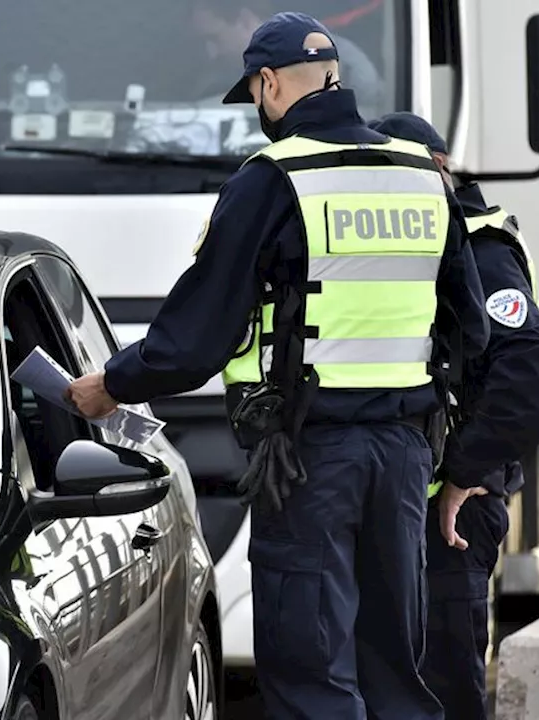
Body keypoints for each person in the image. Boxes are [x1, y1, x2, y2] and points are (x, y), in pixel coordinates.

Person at [65, 12, 491, 719]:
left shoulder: (272, 177)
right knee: (394, 670)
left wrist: (110, 387)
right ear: (333, 77)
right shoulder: (422, 173)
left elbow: (198, 334)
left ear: (267, 84)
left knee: (310, 669)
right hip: (406, 455)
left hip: (310, 459)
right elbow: (469, 329)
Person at [370, 111, 539, 720]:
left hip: (452, 514)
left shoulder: (481, 246)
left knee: (444, 692)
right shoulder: (408, 236)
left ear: (440, 171)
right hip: (401, 503)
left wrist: (461, 473)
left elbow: (527, 383)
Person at [190, 0, 387, 118]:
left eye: (214, 39)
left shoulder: (340, 59)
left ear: (245, 20)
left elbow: (375, 115)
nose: (211, 53)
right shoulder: (212, 78)